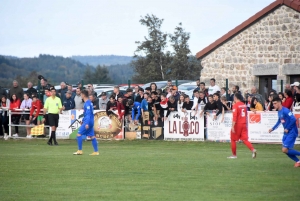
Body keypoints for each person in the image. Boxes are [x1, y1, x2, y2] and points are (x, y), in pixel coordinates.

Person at [269, 97, 300, 167]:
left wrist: (288, 128)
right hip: (286, 133)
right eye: (273, 103)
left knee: (284, 150)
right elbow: (279, 121)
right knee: (285, 150)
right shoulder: (279, 112)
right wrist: (272, 128)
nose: (274, 105)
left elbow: (294, 119)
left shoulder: (286, 111)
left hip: (292, 132)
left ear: (279, 103)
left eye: (275, 103)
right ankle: (298, 161)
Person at [228, 93, 257, 159]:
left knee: (233, 139)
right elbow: (246, 114)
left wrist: (233, 126)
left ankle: (234, 155)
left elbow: (235, 116)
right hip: (244, 124)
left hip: (238, 124)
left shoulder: (235, 105)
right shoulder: (244, 105)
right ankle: (253, 149)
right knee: (244, 139)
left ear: (235, 98)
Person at [73, 90, 99, 156]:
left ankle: (80, 150)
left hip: (88, 121)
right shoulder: (90, 102)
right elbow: (88, 114)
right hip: (91, 121)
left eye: (81, 94)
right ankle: (96, 151)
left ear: (83, 95)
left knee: (79, 134)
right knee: (92, 136)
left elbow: (88, 114)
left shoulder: (87, 103)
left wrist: (86, 123)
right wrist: (83, 120)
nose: (81, 96)